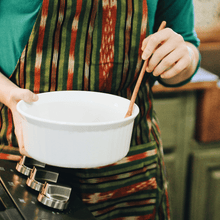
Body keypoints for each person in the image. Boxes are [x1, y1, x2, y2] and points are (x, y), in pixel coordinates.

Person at [0, 0, 200, 219]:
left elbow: (186, 45)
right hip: (20, 154)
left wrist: (184, 57)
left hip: (128, 168)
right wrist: (9, 95)